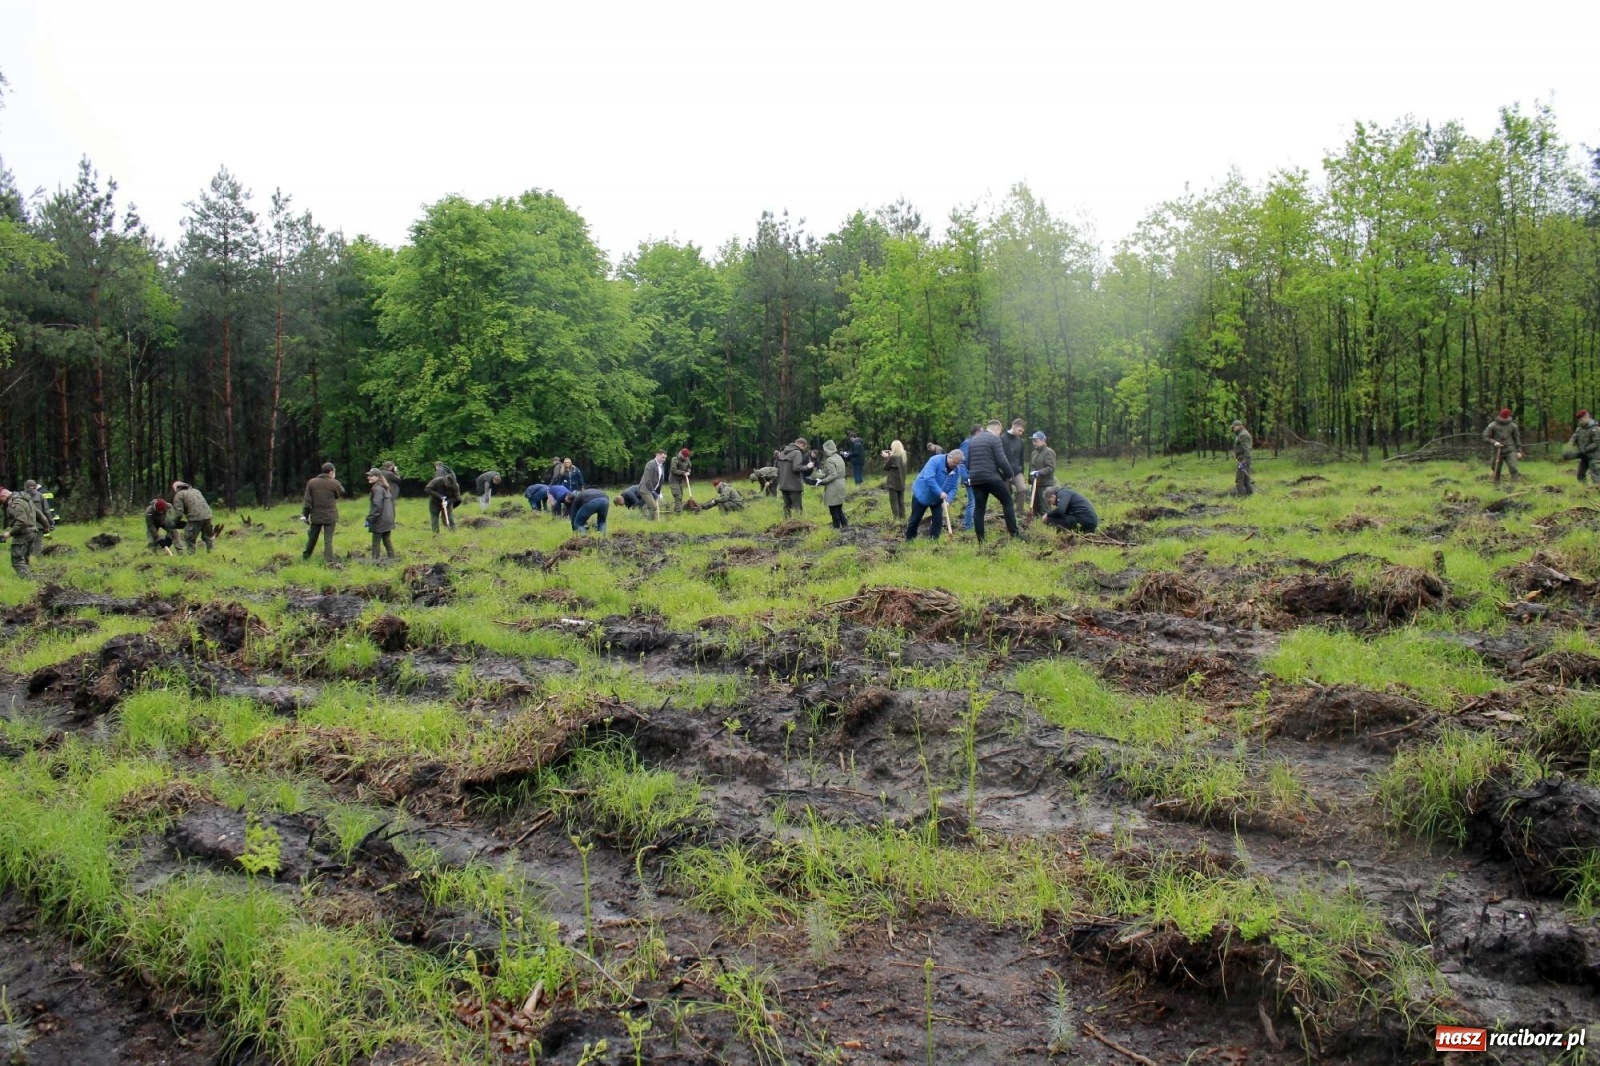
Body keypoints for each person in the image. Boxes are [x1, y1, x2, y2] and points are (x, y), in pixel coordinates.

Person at [966, 420, 1021, 544]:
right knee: (1007, 501)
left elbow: (968, 462)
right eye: (1000, 432)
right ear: (997, 429)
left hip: (975, 479)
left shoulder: (973, 440)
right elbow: (1002, 460)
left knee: (979, 509)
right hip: (991, 477)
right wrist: (1009, 475)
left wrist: (975, 473)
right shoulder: (994, 439)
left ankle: (981, 540)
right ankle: (1014, 533)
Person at [904, 449, 964, 541]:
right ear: (950, 457)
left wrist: (948, 500)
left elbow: (954, 487)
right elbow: (929, 478)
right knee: (915, 519)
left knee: (938, 520)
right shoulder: (935, 460)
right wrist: (940, 492)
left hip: (938, 499)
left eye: (958, 463)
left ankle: (934, 541)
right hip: (922, 494)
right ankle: (909, 539)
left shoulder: (956, 470)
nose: (956, 465)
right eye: (955, 462)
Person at [302, 463, 345, 563]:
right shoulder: (334, 483)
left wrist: (305, 514)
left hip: (316, 515)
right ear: (331, 472)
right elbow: (342, 492)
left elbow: (307, 501)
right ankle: (329, 560)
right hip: (330, 515)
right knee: (328, 540)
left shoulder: (311, 482)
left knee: (312, 538)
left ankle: (306, 557)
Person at [1, 486, 41, 578]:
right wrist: (47, 524)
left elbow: (21, 521)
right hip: (32, 532)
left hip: (23, 534)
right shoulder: (25, 499)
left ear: (3, 495)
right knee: (25, 559)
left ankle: (28, 579)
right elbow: (38, 513)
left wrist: (9, 533)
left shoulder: (15, 503)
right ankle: (29, 579)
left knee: (17, 560)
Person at [813, 440, 849, 529]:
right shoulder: (839, 457)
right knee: (839, 508)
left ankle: (836, 528)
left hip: (834, 486)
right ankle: (845, 525)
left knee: (833, 509)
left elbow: (833, 475)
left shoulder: (830, 460)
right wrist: (822, 476)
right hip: (842, 484)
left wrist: (822, 481)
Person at [171, 481, 215, 553]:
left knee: (189, 539)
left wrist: (174, 521)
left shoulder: (179, 495)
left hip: (195, 518)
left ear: (176, 488)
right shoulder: (196, 491)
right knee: (208, 538)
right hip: (207, 516)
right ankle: (212, 553)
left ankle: (191, 555)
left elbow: (179, 513)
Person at [365, 468, 397, 561]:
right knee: (387, 540)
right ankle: (392, 559)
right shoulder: (384, 487)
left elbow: (376, 506)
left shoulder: (377, 489)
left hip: (380, 520)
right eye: (368, 476)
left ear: (378, 477)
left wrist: (370, 519)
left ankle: (375, 561)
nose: (369, 477)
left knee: (376, 542)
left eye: (371, 476)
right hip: (388, 519)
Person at [1483, 408, 1522, 484]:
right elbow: (1485, 436)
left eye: (1505, 417)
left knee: (1513, 467)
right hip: (1497, 450)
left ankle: (1514, 484)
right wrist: (1494, 442)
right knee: (1496, 469)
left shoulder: (1513, 426)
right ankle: (1496, 485)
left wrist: (1519, 450)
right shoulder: (1492, 425)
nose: (1504, 419)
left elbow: (1517, 439)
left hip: (1510, 450)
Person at [776, 438, 812, 518]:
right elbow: (796, 468)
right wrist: (807, 467)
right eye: (805, 448)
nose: (804, 450)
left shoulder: (783, 452)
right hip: (794, 485)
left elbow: (778, 468)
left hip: (783, 485)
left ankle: (786, 525)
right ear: (802, 445)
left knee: (786, 507)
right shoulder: (797, 452)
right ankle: (799, 526)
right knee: (797, 508)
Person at [1027, 430, 1057, 517]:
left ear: (1043, 440)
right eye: (1033, 441)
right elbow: (1031, 467)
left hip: (1045, 484)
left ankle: (1048, 524)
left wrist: (1039, 472)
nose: (1034, 443)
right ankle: (1036, 524)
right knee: (1035, 507)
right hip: (1035, 484)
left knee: (1045, 508)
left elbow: (1051, 468)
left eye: (1036, 441)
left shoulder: (1049, 452)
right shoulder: (1034, 453)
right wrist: (1030, 481)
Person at [1570, 410, 1600, 485]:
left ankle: (1597, 492)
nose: (1580, 422)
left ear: (1587, 417)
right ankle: (1585, 489)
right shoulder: (1579, 429)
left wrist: (1586, 449)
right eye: (1579, 420)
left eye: (1581, 420)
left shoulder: (1595, 429)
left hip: (1594, 456)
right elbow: (1574, 437)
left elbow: (1596, 443)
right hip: (1584, 456)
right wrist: (1570, 446)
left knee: (1595, 475)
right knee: (1580, 474)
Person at [425, 467, 459, 533]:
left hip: (448, 503)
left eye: (449, 486)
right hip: (434, 502)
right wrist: (440, 496)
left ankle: (453, 532)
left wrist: (447, 501)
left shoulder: (456, 486)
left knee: (450, 517)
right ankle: (436, 534)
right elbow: (427, 489)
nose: (447, 486)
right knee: (434, 517)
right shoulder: (436, 481)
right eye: (446, 484)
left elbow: (457, 498)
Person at [881, 440, 908, 522]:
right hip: (901, 482)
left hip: (893, 483)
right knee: (901, 502)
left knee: (894, 503)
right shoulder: (903, 456)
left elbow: (886, 467)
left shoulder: (894, 457)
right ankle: (903, 519)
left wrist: (886, 458)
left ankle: (896, 520)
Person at [639, 450, 668, 521]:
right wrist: (653, 492)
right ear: (657, 455)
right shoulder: (650, 464)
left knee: (652, 508)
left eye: (665, 458)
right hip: (645, 489)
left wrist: (658, 492)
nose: (664, 459)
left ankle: (652, 522)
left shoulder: (661, 466)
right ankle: (650, 523)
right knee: (653, 507)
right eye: (662, 457)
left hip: (653, 489)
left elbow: (659, 481)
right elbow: (648, 480)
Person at [1003, 419, 1029, 500]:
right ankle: (1008, 511)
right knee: (1006, 494)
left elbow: (1021, 458)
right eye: (1019, 430)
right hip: (1005, 471)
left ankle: (1019, 512)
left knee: (1022, 489)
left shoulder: (1020, 441)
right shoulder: (1002, 439)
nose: (1021, 433)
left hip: (1017, 471)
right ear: (1014, 426)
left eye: (1022, 431)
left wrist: (1022, 471)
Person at [1231, 421, 1255, 497]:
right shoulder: (1241, 434)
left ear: (1238, 426)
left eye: (1233, 427)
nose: (1233, 429)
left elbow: (1246, 449)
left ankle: (1242, 497)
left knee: (1239, 480)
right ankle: (1250, 496)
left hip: (1243, 460)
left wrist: (1244, 461)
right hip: (1242, 459)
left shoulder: (1243, 435)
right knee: (1246, 479)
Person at [668, 448, 693, 513]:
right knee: (677, 495)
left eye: (687, 457)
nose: (686, 458)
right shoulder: (675, 459)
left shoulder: (687, 459)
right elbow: (673, 470)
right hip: (673, 480)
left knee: (681, 495)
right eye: (685, 457)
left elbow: (689, 467)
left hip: (681, 480)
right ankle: (679, 511)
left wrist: (688, 472)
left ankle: (676, 509)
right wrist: (683, 473)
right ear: (681, 455)